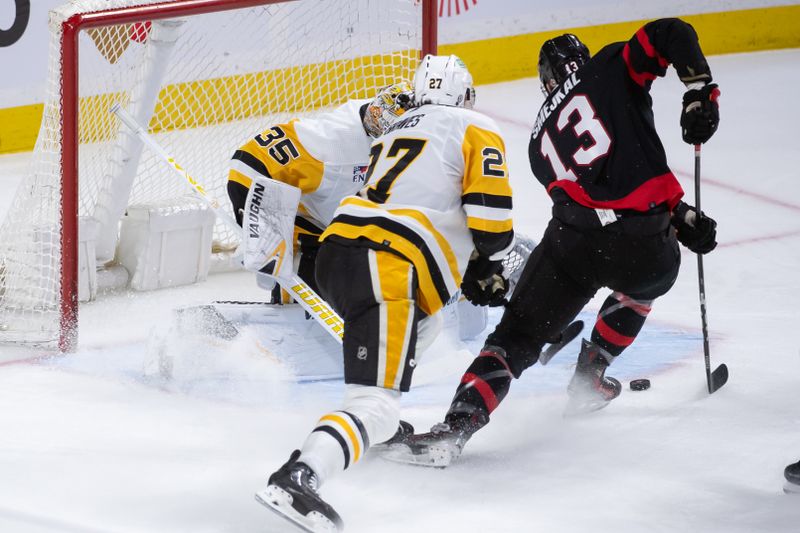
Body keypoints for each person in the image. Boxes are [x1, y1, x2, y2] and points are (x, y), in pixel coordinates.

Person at [378, 18, 721, 468]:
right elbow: (670, 32)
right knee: (648, 280)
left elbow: (597, 191)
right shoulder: (610, 67)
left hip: (573, 245)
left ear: (544, 83)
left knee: (513, 338)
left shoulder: (538, 142)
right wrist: (699, 90)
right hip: (642, 246)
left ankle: (453, 430)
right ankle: (590, 376)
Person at [254, 54, 514, 532]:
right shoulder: (474, 124)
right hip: (389, 265)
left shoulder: (394, 131)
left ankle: (378, 434)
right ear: (467, 95)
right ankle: (300, 475)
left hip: (338, 254)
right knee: (375, 402)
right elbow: (493, 225)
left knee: (424, 325)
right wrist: (489, 266)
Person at [226, 81, 412, 299]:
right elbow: (246, 164)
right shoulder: (330, 142)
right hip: (312, 235)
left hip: (354, 232)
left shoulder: (416, 134)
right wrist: (259, 232)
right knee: (307, 312)